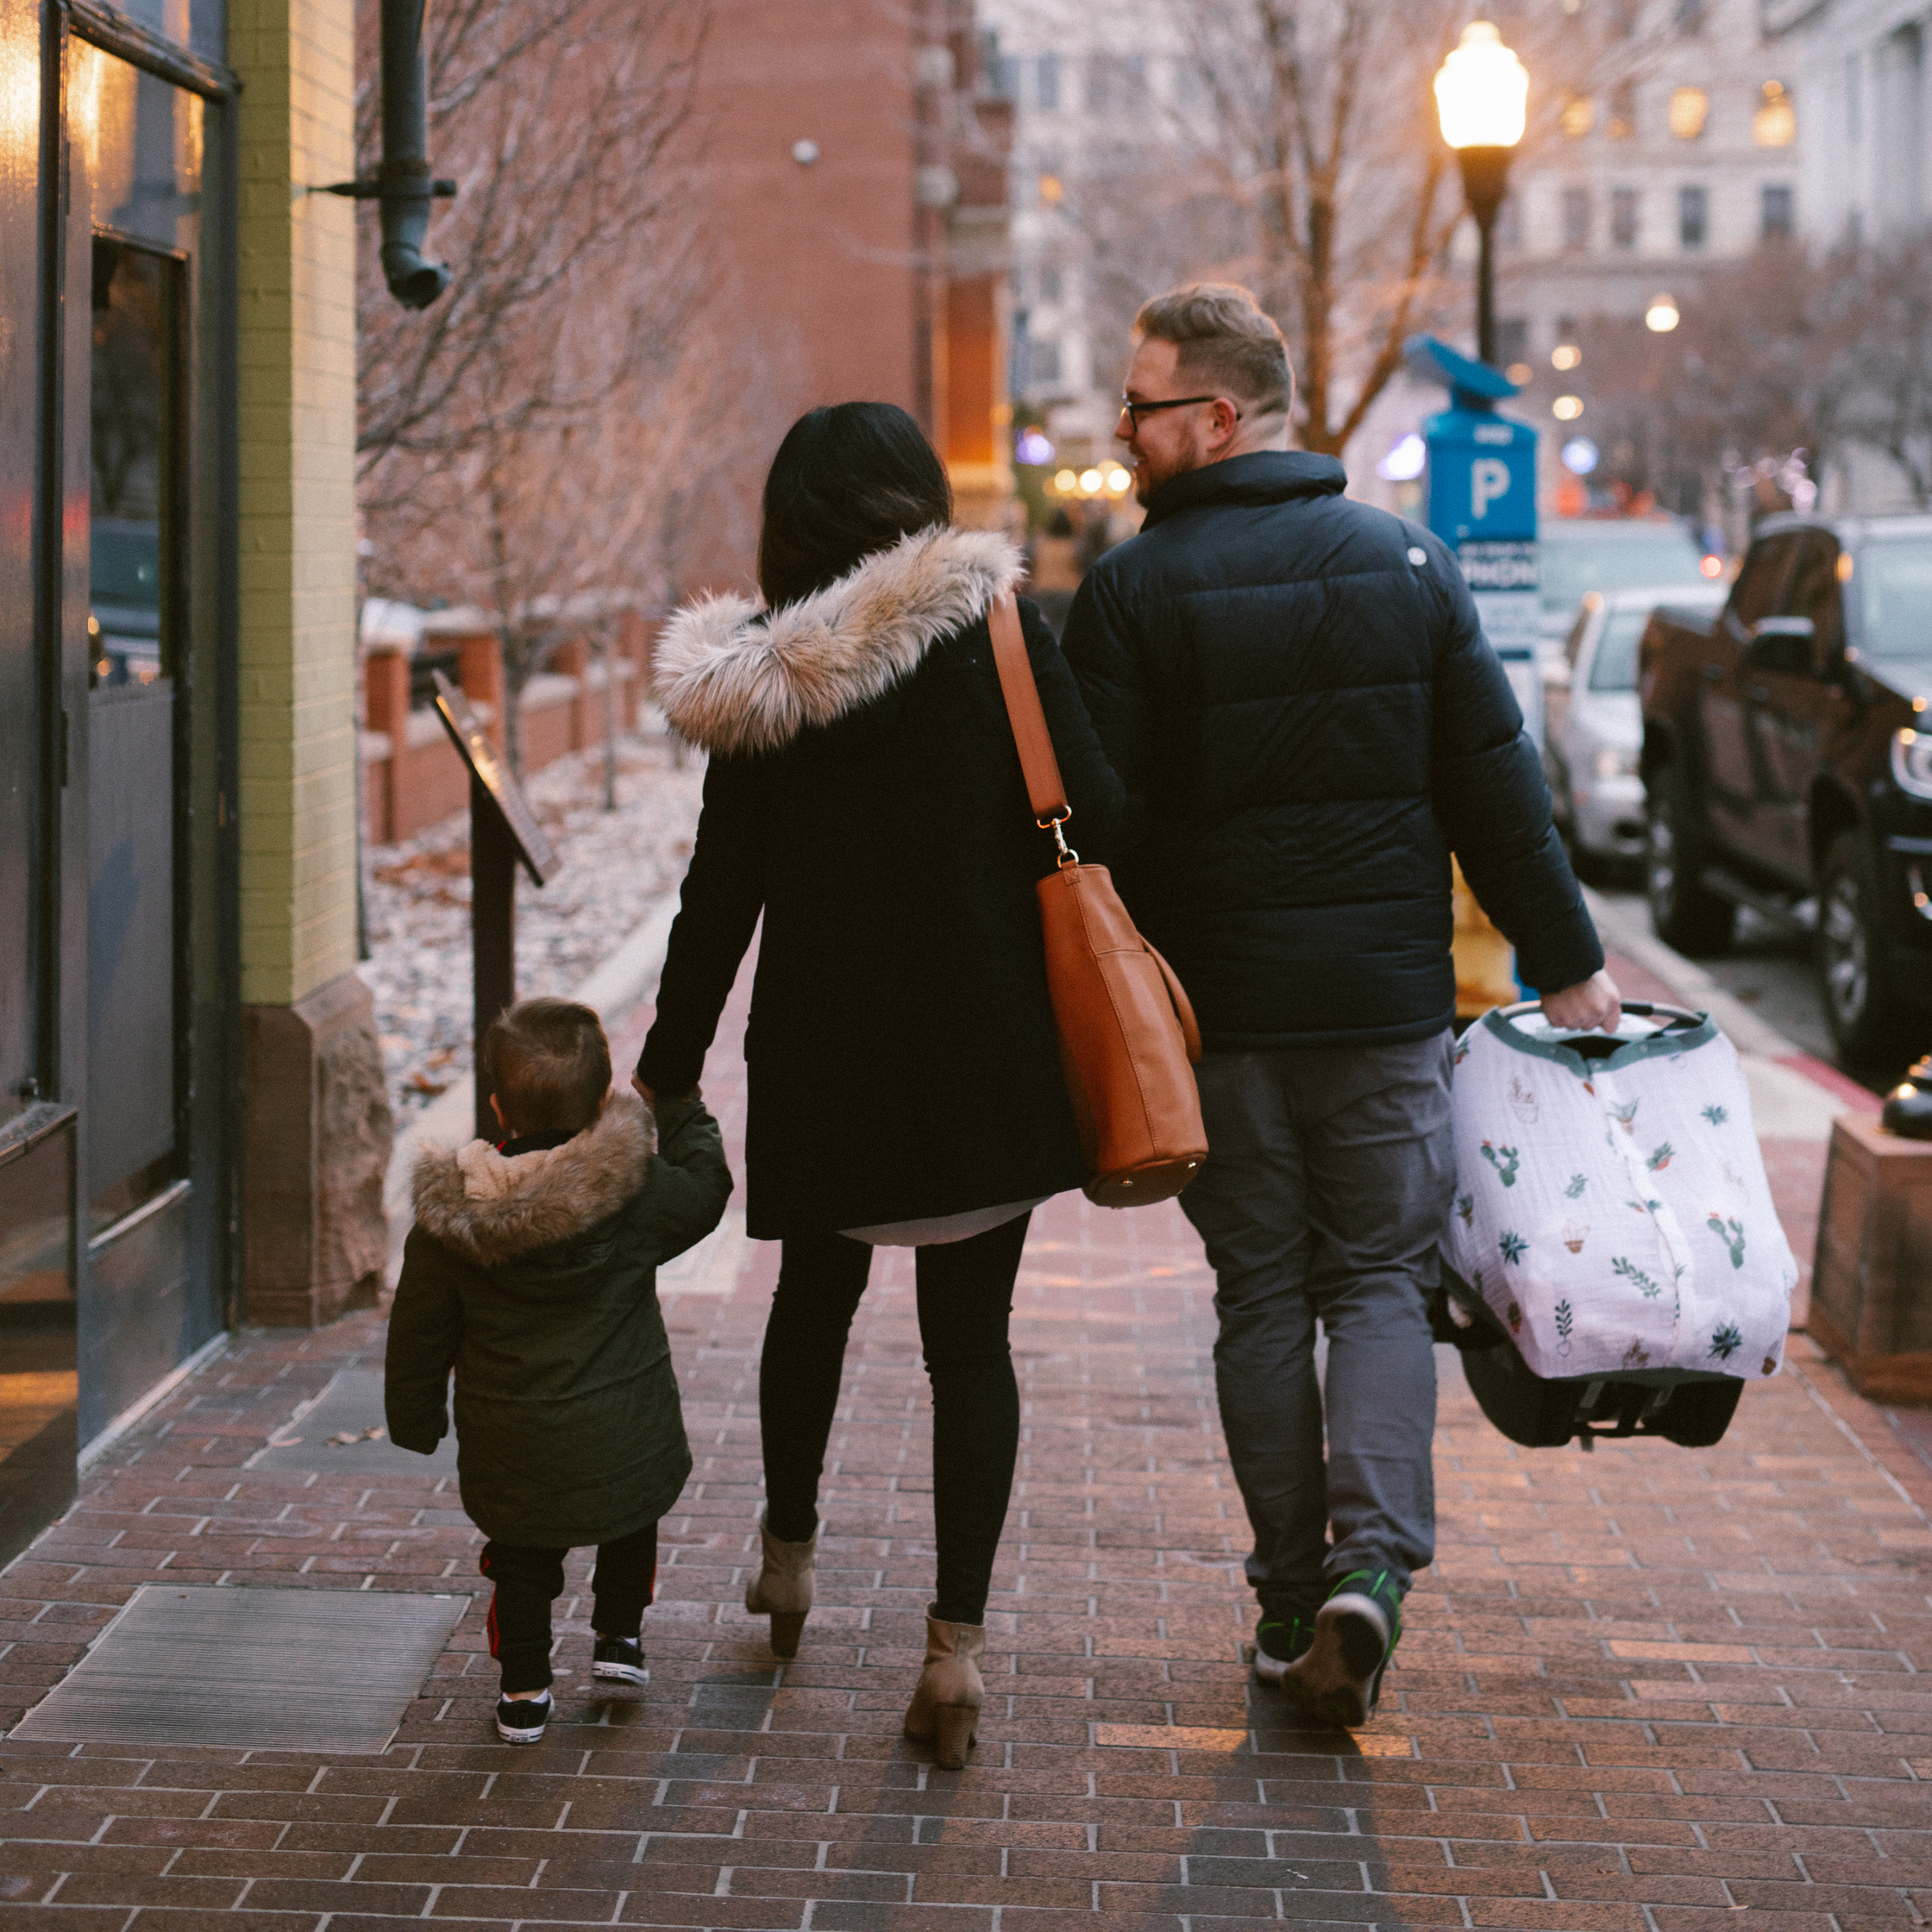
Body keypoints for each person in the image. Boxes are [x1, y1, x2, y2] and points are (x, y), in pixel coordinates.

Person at [1061, 284, 1621, 1730]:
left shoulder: (1129, 594)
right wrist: (1570, 967)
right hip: (1382, 1015)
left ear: (1219, 418)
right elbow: (1501, 791)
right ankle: (1373, 1572)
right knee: (1376, 1281)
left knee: (1261, 1292)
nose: (1121, 433)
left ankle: (1288, 1599)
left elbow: (1099, 828)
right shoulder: (1409, 566)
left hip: (1222, 1024)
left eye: (1141, 407)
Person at [635, 401, 1122, 1770]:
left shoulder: (769, 685)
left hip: (828, 1058)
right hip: (990, 1064)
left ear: (791, 526)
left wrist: (667, 1070)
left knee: (814, 1302)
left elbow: (715, 902)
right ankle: (954, 1651)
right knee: (973, 1349)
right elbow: (1102, 819)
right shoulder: (1009, 643)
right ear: (919, 505)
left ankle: (788, 1563)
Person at [385, 997, 731, 1745]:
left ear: (499, 1106)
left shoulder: (454, 1224)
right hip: (622, 1425)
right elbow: (707, 1191)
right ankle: (618, 1644)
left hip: (513, 1437)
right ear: (601, 1100)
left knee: (521, 1559)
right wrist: (679, 1108)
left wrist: (415, 1419)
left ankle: (525, 1691)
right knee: (629, 1521)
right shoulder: (633, 1194)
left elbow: (418, 1332)